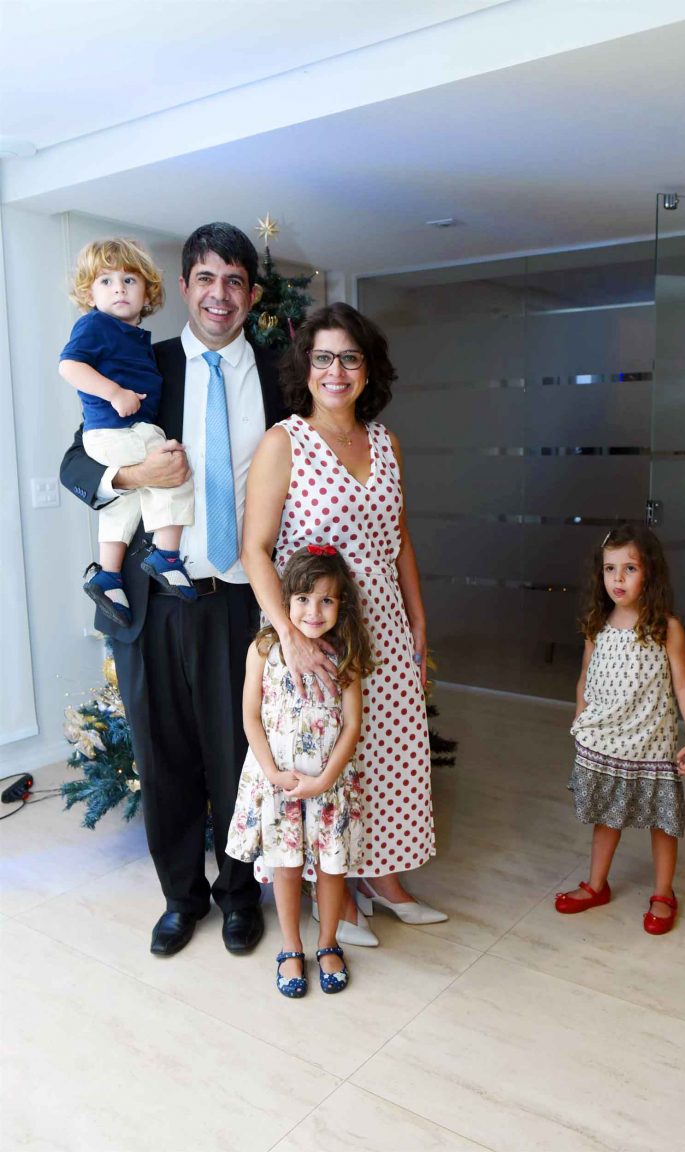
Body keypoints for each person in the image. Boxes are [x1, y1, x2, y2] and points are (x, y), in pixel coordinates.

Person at [60, 223, 286, 957]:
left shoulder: (281, 377)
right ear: (184, 287)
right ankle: (180, 898)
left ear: (252, 294)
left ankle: (239, 895)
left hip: (240, 598)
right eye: (206, 279)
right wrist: (132, 475)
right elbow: (75, 461)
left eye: (235, 281)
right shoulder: (143, 359)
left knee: (238, 755)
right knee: (164, 759)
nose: (220, 294)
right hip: (153, 598)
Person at [240, 301, 446, 948]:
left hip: (383, 626)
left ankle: (382, 878)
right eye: (323, 357)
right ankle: (337, 892)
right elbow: (255, 549)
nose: (336, 371)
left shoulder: (385, 442)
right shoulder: (284, 442)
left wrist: (417, 620)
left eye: (350, 358)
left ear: (368, 369)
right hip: (315, 633)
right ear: (306, 367)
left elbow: (400, 539)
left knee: (387, 754)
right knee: (329, 756)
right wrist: (290, 638)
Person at [226, 545, 375, 996]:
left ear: (341, 604)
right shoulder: (264, 649)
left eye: (326, 600)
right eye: (304, 599)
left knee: (331, 869)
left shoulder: (345, 652)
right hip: (280, 784)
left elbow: (353, 725)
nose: (314, 611)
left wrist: (326, 779)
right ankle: (291, 947)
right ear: (286, 599)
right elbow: (250, 716)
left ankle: (328, 943)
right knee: (285, 866)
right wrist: (272, 773)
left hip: (329, 784)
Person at [555, 524, 685, 934]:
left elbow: (684, 685)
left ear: (650, 572)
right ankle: (596, 884)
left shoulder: (664, 627)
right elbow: (586, 677)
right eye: (609, 569)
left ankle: (664, 893)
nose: (617, 579)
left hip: (652, 743)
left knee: (662, 821)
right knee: (607, 816)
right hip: (609, 740)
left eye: (630, 569)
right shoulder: (597, 623)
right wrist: (581, 714)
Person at [60, 238, 197, 627]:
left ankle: (108, 576)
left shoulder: (134, 339)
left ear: (147, 293)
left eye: (129, 280)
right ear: (89, 294)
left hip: (115, 433)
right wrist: (114, 393)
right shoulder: (95, 325)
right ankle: (166, 555)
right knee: (172, 468)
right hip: (119, 428)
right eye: (106, 281)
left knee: (123, 505)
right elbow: (69, 366)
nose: (118, 288)